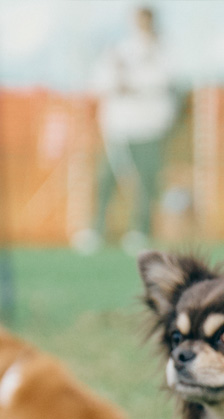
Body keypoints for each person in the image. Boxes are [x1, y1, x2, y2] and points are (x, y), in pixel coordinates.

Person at [73, 7, 174, 256]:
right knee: (106, 179)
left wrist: (133, 83)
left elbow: (162, 80)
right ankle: (95, 230)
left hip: (148, 128)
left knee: (145, 180)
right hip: (117, 130)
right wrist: (118, 82)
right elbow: (100, 81)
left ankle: (140, 230)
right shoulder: (119, 49)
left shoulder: (163, 50)